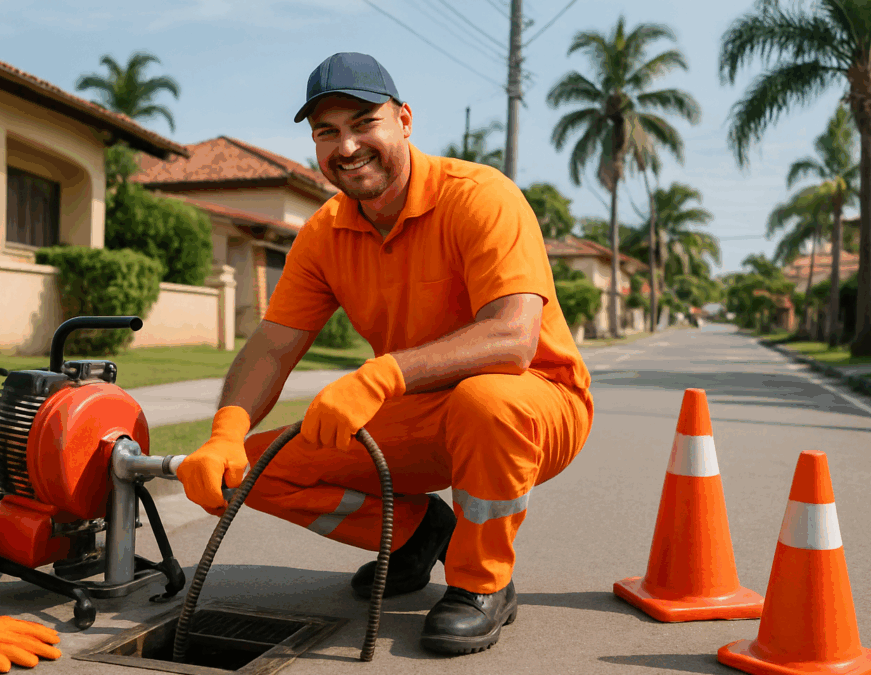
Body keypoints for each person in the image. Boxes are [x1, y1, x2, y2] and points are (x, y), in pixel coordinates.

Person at [175, 52, 594, 656]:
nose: (346, 147)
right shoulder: (324, 233)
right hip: (420, 411)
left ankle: (484, 583)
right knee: (251, 472)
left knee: (486, 399)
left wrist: (382, 375)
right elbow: (273, 344)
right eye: (327, 132)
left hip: (535, 403)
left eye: (362, 122)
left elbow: (512, 337)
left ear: (404, 120)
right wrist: (224, 431)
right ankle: (417, 535)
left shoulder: (479, 196)